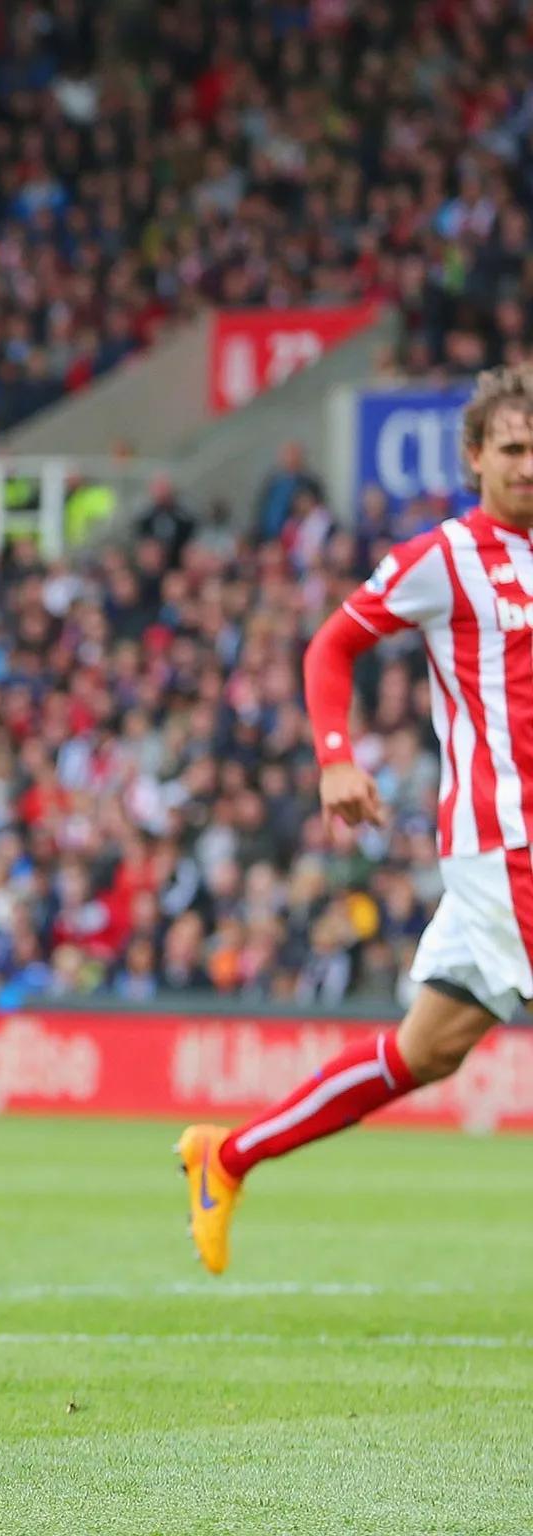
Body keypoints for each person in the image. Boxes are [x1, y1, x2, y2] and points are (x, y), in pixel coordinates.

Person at [179, 364, 533, 1274]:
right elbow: (333, 642)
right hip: (508, 845)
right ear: (475, 458)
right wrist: (337, 755)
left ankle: (229, 1155)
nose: (529, 467)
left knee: (428, 1050)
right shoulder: (445, 557)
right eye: (514, 450)